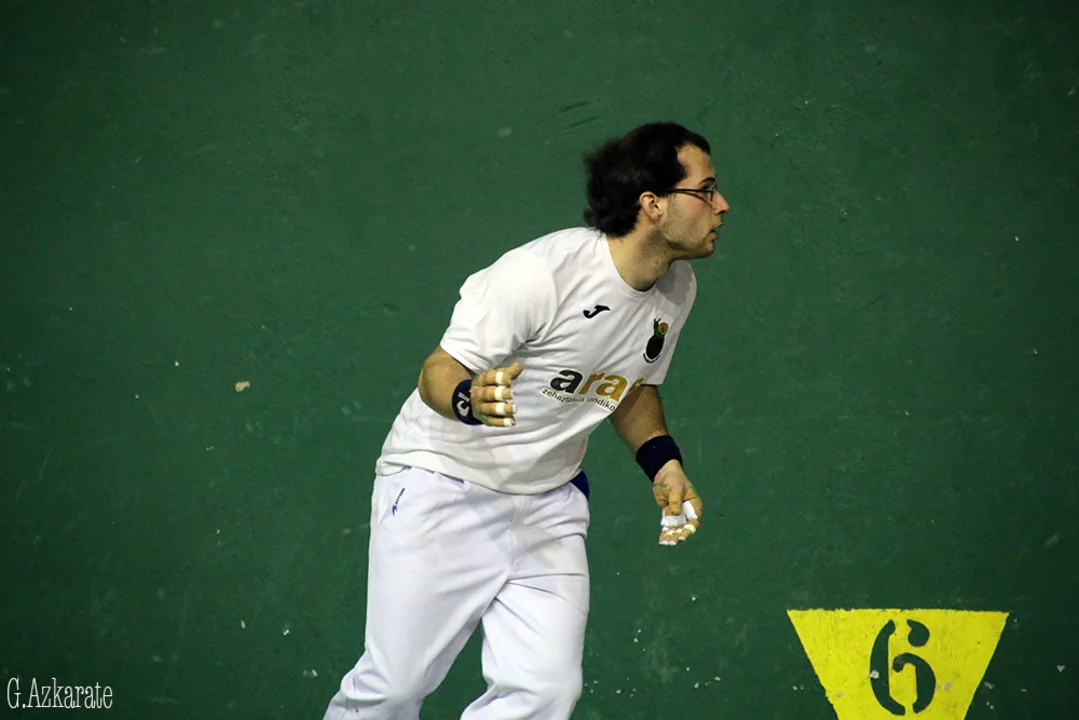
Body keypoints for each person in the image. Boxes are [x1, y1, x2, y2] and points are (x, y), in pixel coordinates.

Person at [323, 121, 730, 720]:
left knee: (544, 693)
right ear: (653, 204)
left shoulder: (677, 288)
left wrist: (663, 463)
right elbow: (439, 370)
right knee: (395, 688)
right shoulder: (542, 273)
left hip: (548, 504)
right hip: (445, 483)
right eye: (706, 190)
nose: (722, 205)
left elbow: (631, 386)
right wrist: (470, 399)